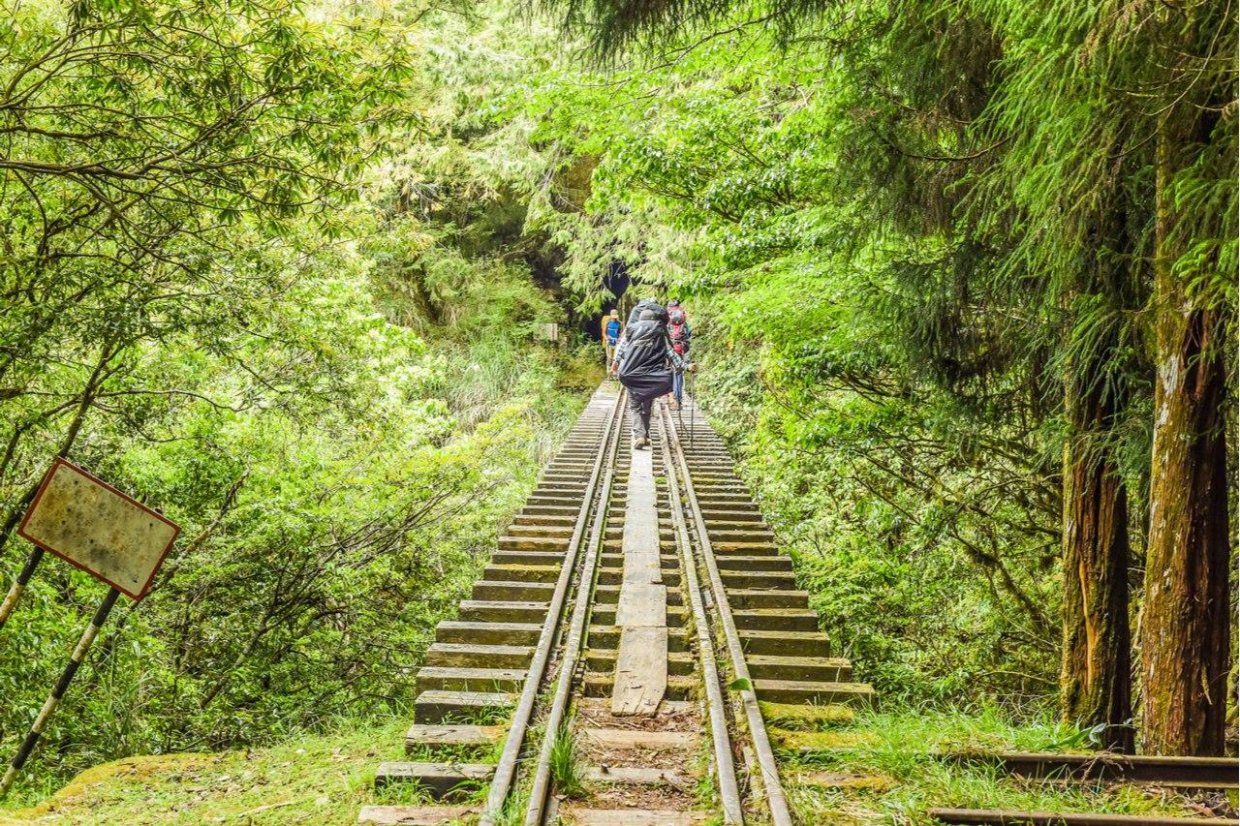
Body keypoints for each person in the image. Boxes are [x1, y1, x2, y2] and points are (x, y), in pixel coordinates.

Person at [612, 306, 691, 450]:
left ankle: (640, 436)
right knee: (647, 406)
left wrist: (615, 363)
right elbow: (671, 354)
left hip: (631, 376)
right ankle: (645, 435)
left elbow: (622, 349)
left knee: (635, 406)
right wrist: (686, 366)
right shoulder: (659, 333)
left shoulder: (631, 331)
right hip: (652, 376)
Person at [667, 300, 691, 408]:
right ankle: (679, 399)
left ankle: (673, 399)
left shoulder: (668, 318)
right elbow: (689, 333)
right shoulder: (682, 318)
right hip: (681, 349)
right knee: (679, 373)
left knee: (671, 373)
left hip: (671, 349)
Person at [603, 309, 621, 374]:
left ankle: (615, 372)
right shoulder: (607, 323)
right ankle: (608, 372)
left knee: (615, 358)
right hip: (609, 343)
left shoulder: (619, 323)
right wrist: (607, 339)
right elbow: (604, 333)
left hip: (616, 343)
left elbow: (620, 333)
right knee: (609, 358)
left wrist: (619, 339)